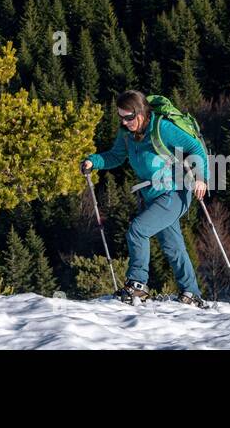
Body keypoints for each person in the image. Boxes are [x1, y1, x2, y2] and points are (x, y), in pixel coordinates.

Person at [81, 90, 210, 307]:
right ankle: (191, 292)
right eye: (121, 117)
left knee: (137, 230)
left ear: (141, 113)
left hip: (175, 192)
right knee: (173, 246)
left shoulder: (162, 128)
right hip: (152, 194)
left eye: (129, 117)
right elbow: (115, 156)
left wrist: (201, 178)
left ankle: (138, 285)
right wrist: (93, 162)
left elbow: (194, 147)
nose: (125, 122)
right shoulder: (126, 134)